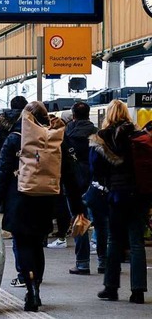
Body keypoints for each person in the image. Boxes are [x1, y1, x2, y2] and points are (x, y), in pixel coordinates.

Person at [0, 101, 83, 312]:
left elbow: (1, 172)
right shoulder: (56, 138)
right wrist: (77, 207)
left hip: (18, 198)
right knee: (37, 245)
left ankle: (29, 286)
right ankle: (36, 286)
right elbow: (69, 175)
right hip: (45, 199)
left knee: (22, 244)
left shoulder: (14, 138)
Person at [89, 100, 147, 304]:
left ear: (109, 114)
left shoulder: (102, 138)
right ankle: (138, 291)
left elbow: (95, 169)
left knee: (114, 240)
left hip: (115, 195)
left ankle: (111, 288)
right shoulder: (139, 136)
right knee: (137, 242)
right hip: (139, 195)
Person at [0, 95, 28, 288]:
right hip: (40, 185)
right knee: (36, 236)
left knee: (19, 232)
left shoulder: (4, 128)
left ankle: (23, 274)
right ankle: (35, 278)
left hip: (14, 185)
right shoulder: (37, 125)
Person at [63, 102, 98, 275]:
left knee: (79, 219)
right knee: (101, 220)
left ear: (73, 115)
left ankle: (83, 263)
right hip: (95, 182)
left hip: (73, 182)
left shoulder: (66, 133)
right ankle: (103, 261)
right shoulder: (96, 133)